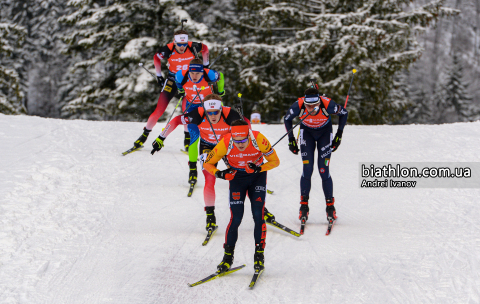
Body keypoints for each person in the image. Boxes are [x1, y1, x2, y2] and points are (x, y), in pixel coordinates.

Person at [150, 94, 238, 231]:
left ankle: (262, 209)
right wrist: (161, 138)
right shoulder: (197, 114)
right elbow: (175, 121)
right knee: (210, 179)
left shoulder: (230, 114)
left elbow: (247, 127)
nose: (213, 116)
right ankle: (210, 217)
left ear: (222, 109)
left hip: (227, 146)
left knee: (241, 177)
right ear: (204, 110)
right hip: (207, 147)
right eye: (210, 113)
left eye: (216, 112)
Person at [203, 120, 280, 273]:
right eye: (237, 141)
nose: (240, 144)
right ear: (232, 137)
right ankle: (227, 259)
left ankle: (259, 257)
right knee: (236, 218)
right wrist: (220, 173)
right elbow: (207, 163)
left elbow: (275, 161)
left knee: (258, 215)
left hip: (256, 177)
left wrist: (259, 168)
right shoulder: (225, 142)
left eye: (244, 140)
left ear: (248, 136)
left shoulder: (259, 139)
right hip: (237, 178)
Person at [132, 29, 209, 149]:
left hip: (188, 82)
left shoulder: (193, 46)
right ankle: (144, 135)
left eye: (184, 44)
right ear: (174, 42)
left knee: (187, 111)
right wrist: (159, 75)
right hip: (172, 81)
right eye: (179, 44)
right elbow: (156, 58)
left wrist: (205, 66)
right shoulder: (168, 49)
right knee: (159, 110)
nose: (182, 47)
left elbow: (205, 49)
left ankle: (187, 138)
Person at [283, 87, 348, 225]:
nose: (311, 108)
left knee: (323, 170)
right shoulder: (298, 105)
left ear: (319, 102)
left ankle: (330, 207)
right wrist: (291, 139)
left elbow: (344, 113)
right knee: (307, 168)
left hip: (325, 133)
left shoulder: (328, 104)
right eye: (308, 105)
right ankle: (304, 206)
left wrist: (339, 135)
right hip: (307, 133)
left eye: (314, 105)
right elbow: (287, 119)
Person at [174, 59, 225, 184]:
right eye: (192, 73)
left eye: (198, 73)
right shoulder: (181, 75)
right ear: (189, 71)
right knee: (194, 138)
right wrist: (181, 90)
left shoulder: (210, 74)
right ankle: (193, 170)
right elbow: (177, 82)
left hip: (211, 108)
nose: (195, 76)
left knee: (225, 136)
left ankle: (238, 168)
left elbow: (221, 76)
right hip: (192, 108)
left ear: (203, 72)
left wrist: (220, 92)